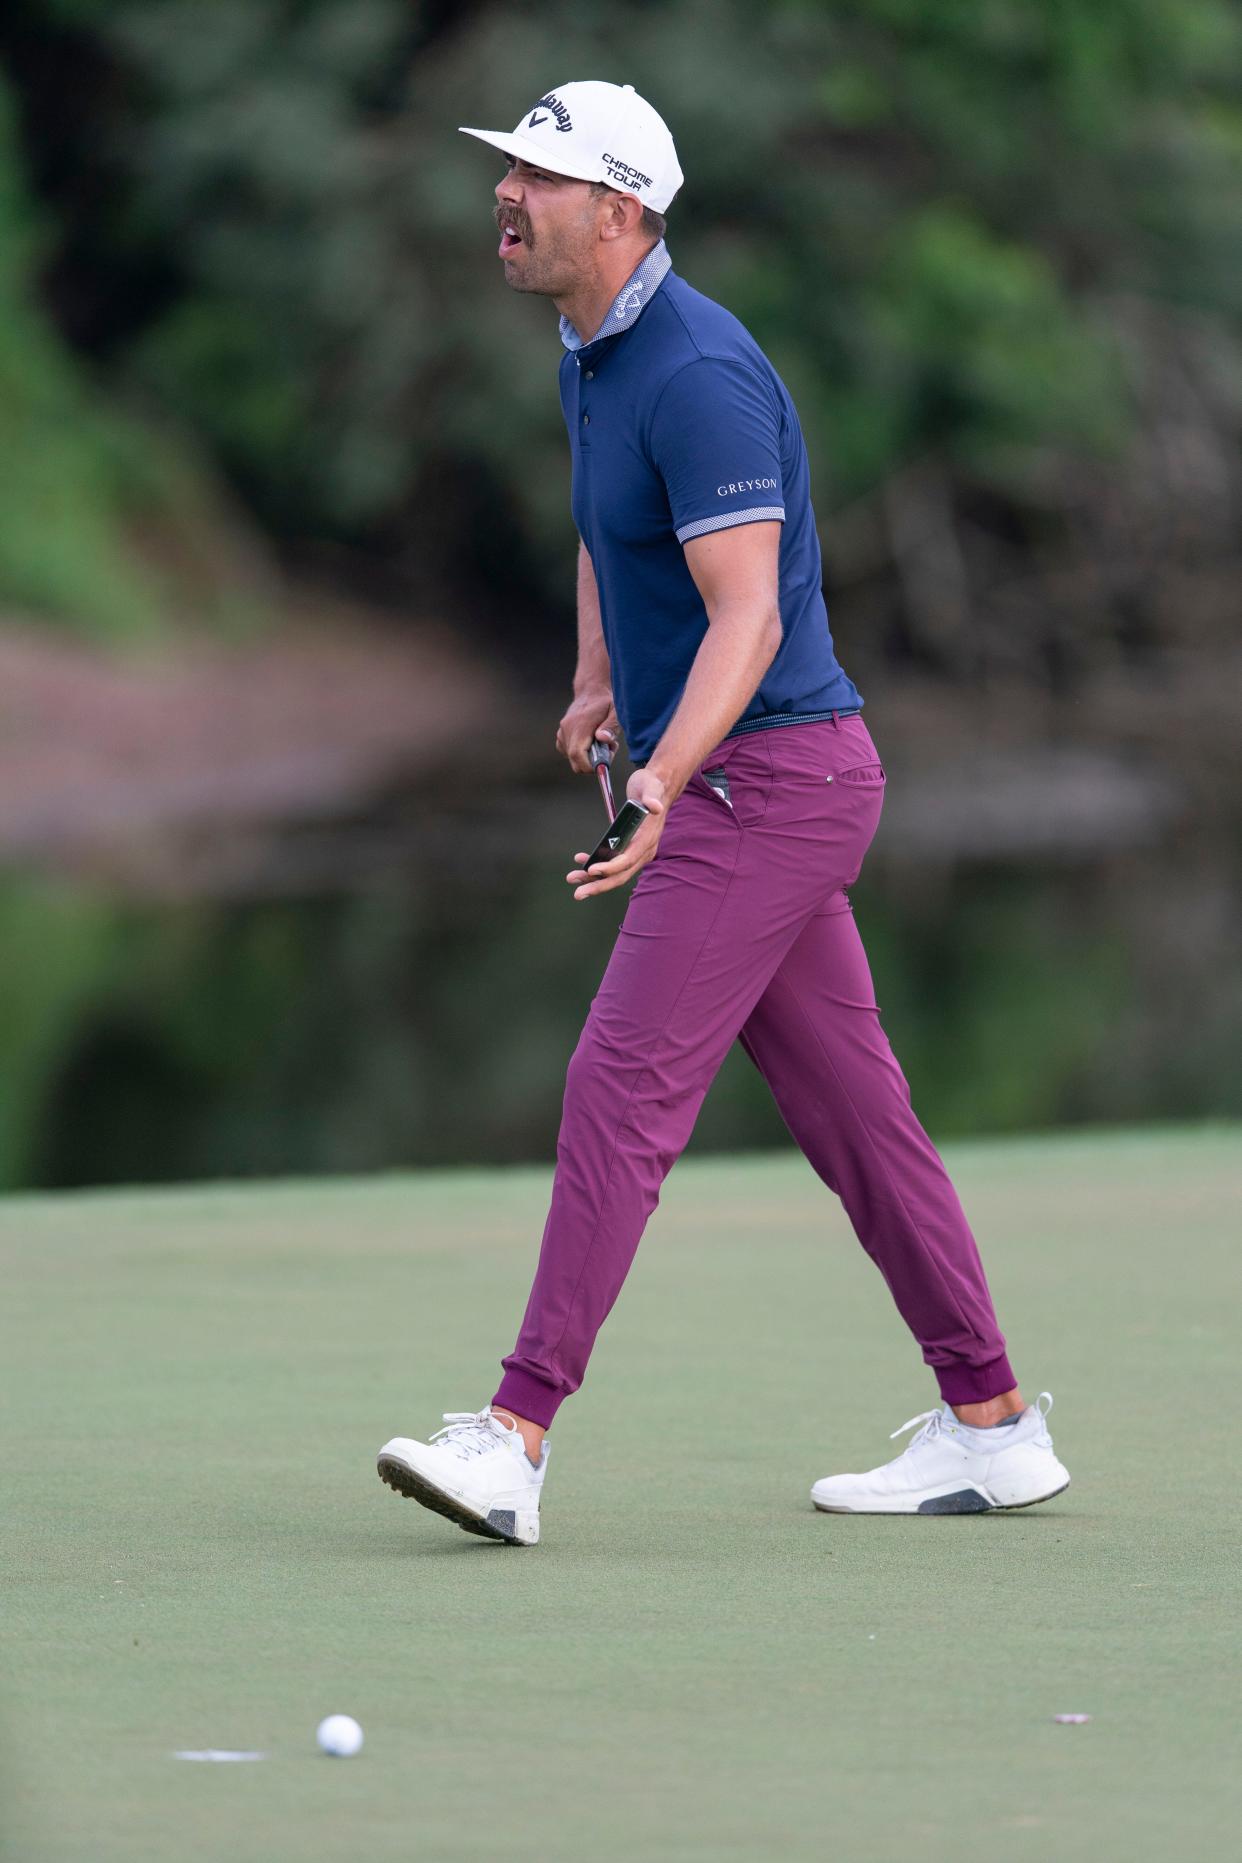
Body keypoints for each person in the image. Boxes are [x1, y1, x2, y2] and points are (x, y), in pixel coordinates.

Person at [377, 82, 1069, 1544]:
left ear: (621, 212)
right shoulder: (587, 347)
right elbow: (605, 523)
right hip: (760, 777)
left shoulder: (695, 372)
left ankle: (512, 1435)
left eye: (540, 179)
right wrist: (592, 673)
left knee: (618, 1086)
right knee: (856, 1122)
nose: (505, 195)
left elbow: (746, 618)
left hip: (773, 782)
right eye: (507, 167)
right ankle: (992, 1423)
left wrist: (659, 780)